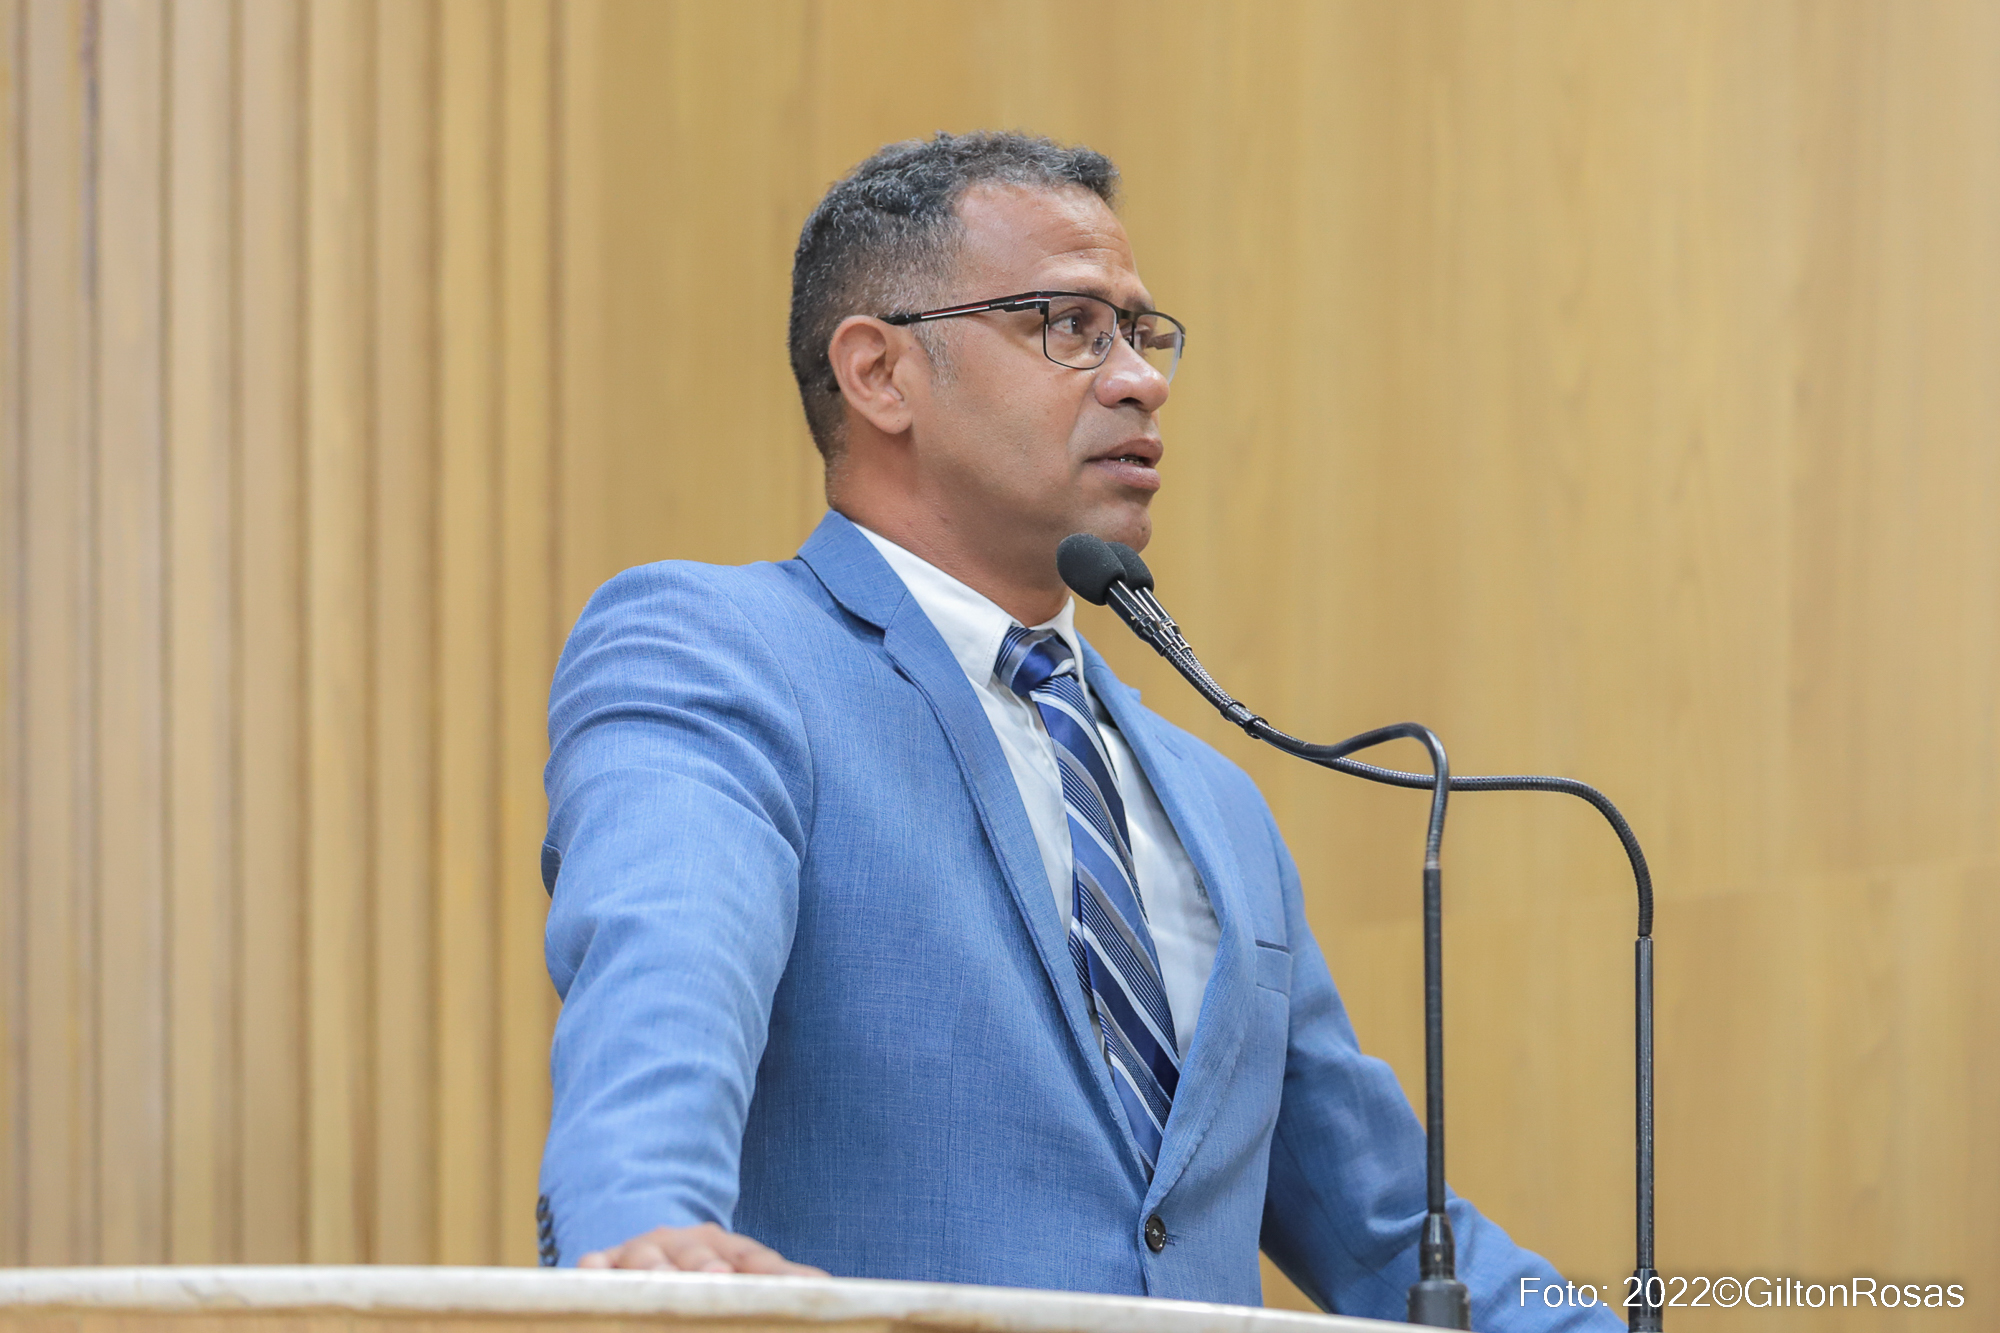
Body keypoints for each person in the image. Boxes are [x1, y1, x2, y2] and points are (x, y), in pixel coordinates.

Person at [536, 131, 1617, 1330]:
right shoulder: (720, 648)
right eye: (1067, 326)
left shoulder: (1215, 801)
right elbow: (669, 960)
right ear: (879, 374)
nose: (1140, 380)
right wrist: (642, 1225)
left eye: (1140, 333)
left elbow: (1384, 1230)